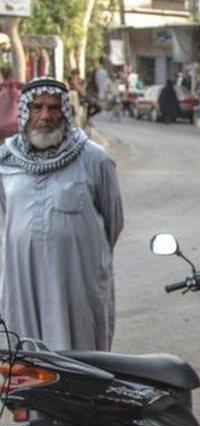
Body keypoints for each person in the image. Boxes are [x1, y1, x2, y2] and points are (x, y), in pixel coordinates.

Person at [0, 78, 124, 351]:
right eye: (37, 108)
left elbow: (112, 222)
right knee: (25, 357)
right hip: (23, 281)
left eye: (54, 108)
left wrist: (78, 251)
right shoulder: (5, 161)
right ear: (25, 111)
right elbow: (8, 218)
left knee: (80, 355)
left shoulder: (94, 159)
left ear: (65, 112)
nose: (45, 116)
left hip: (76, 279)